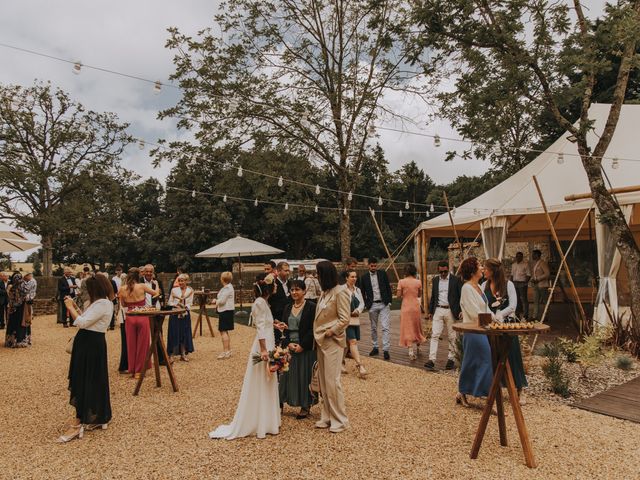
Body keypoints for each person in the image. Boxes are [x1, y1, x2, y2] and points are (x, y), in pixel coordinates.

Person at [209, 273, 281, 440]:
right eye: (275, 284)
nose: (276, 286)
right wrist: (264, 350)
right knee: (263, 379)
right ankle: (259, 420)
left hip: (268, 341)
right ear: (269, 287)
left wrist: (276, 324)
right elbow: (260, 327)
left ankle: (267, 419)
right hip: (264, 345)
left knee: (268, 380)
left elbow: (265, 323)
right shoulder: (260, 303)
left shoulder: (263, 302)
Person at [57, 275, 114, 443]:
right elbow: (88, 320)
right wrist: (76, 307)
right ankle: (99, 416)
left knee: (84, 379)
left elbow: (81, 323)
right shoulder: (99, 303)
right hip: (90, 343)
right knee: (93, 379)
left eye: (88, 288)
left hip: (90, 344)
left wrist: (69, 307)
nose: (85, 291)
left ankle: (78, 422)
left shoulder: (102, 303)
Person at [483, 258, 528, 404]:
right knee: (494, 355)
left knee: (512, 354)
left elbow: (513, 305)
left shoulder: (508, 285)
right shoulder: (484, 285)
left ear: (493, 271)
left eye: (486, 268)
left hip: (508, 325)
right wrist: (491, 316)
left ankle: (520, 389)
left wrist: (500, 315)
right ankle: (496, 386)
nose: (484, 271)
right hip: (492, 326)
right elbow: (483, 304)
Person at [314, 261, 351, 433]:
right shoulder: (324, 292)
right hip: (320, 340)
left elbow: (345, 319)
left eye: (319, 274)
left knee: (333, 381)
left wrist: (330, 331)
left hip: (333, 342)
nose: (317, 277)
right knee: (323, 381)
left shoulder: (341, 292)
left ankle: (340, 420)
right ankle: (327, 415)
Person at [457, 257, 494, 407]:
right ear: (472, 271)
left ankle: (462, 392)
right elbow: (474, 312)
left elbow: (486, 308)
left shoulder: (479, 287)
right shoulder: (466, 288)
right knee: (485, 359)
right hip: (472, 330)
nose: (482, 269)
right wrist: (491, 320)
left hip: (483, 329)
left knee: (472, 362)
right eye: (479, 266)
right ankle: (485, 396)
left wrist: (497, 319)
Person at [279, 279, 317, 419]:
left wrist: (303, 345)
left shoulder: (311, 307)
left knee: (304, 376)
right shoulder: (287, 307)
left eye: (297, 289)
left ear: (304, 291)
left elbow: (313, 328)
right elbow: (284, 329)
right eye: (292, 290)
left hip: (305, 347)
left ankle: (305, 405)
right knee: (286, 377)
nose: (294, 292)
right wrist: (288, 343)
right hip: (290, 347)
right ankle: (281, 402)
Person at [119, 267, 159, 379]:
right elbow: (156, 294)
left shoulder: (122, 288)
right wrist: (156, 284)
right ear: (139, 276)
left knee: (131, 344)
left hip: (130, 317)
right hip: (142, 315)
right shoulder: (142, 286)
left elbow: (123, 305)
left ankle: (132, 370)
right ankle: (139, 371)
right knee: (143, 344)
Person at [425, 260, 462, 371]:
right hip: (438, 309)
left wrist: (460, 310)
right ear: (438, 270)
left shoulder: (456, 280)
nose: (443, 274)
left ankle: (451, 359)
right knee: (435, 334)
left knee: (452, 336)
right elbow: (433, 296)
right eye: (441, 272)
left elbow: (460, 296)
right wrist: (430, 311)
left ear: (448, 269)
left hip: (451, 310)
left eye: (445, 272)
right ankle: (431, 360)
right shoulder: (435, 280)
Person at [360, 257, 393, 360]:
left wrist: (389, 301)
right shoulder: (364, 277)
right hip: (372, 305)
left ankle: (386, 350)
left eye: (375, 265)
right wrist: (365, 304)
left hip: (384, 304)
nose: (374, 267)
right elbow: (362, 292)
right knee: (373, 327)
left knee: (385, 327)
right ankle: (375, 347)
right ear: (368, 265)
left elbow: (388, 287)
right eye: (372, 265)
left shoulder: (382, 273)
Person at [397, 264, 425, 361]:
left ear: (405, 272)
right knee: (416, 326)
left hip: (406, 307)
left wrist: (402, 292)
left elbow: (398, 295)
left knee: (408, 327)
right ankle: (418, 346)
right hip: (415, 307)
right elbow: (419, 294)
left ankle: (410, 350)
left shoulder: (401, 282)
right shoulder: (418, 282)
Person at [167, 274, 195, 362]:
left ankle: (183, 354)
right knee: (173, 334)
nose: (180, 282)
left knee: (184, 334)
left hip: (185, 314)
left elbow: (190, 303)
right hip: (175, 314)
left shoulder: (190, 291)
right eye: (179, 281)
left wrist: (185, 307)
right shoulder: (174, 290)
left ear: (186, 281)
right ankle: (171, 355)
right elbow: (169, 302)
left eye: (182, 281)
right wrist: (176, 304)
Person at [344, 269, 366, 378]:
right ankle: (360, 365)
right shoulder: (342, 290)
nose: (354, 279)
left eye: (355, 276)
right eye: (352, 277)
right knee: (353, 341)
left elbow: (362, 303)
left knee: (346, 344)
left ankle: (341, 362)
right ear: (346, 278)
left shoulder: (358, 290)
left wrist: (358, 310)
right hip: (345, 320)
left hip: (355, 320)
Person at [4, 272, 29, 348]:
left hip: (16, 309)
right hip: (16, 309)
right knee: (16, 324)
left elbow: (26, 295)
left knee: (16, 324)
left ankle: (15, 341)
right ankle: (15, 341)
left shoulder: (18, 287)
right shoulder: (13, 287)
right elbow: (15, 298)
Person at [215, 271, 235, 359]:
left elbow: (222, 301)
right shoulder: (227, 287)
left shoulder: (227, 288)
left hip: (226, 311)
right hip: (226, 311)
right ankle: (228, 350)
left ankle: (226, 351)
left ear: (222, 279)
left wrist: (215, 301)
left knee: (223, 331)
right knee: (225, 331)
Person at [269, 261, 291, 343]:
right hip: (277, 318)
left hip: (288, 318)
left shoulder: (291, 284)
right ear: (278, 271)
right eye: (285, 271)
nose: (288, 273)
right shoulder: (273, 284)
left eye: (288, 270)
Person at [530, 250, 550, 320]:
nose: (532, 256)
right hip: (535, 285)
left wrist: (538, 279)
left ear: (537, 255)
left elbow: (547, 274)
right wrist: (533, 279)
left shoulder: (542, 263)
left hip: (543, 285)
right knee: (535, 301)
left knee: (545, 301)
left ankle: (545, 316)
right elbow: (534, 274)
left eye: (533, 254)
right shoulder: (534, 263)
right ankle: (534, 316)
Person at [511, 252, 531, 320]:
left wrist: (525, 282)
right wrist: (511, 283)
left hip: (522, 283)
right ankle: (517, 314)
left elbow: (528, 275)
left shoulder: (525, 264)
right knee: (516, 299)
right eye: (517, 256)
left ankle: (526, 314)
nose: (518, 257)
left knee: (524, 299)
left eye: (520, 256)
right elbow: (512, 275)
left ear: (522, 257)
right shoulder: (513, 265)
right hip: (515, 283)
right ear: (516, 257)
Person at [117, 272, 129, 373]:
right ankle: (124, 365)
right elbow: (123, 306)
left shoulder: (122, 289)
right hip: (125, 317)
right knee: (126, 342)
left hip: (124, 317)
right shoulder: (124, 289)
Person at [23, 272, 37, 345]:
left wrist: (29, 299)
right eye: (29, 276)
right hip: (23, 301)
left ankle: (27, 337)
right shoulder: (22, 281)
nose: (30, 277)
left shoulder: (33, 281)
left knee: (28, 318)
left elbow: (32, 292)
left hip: (28, 301)